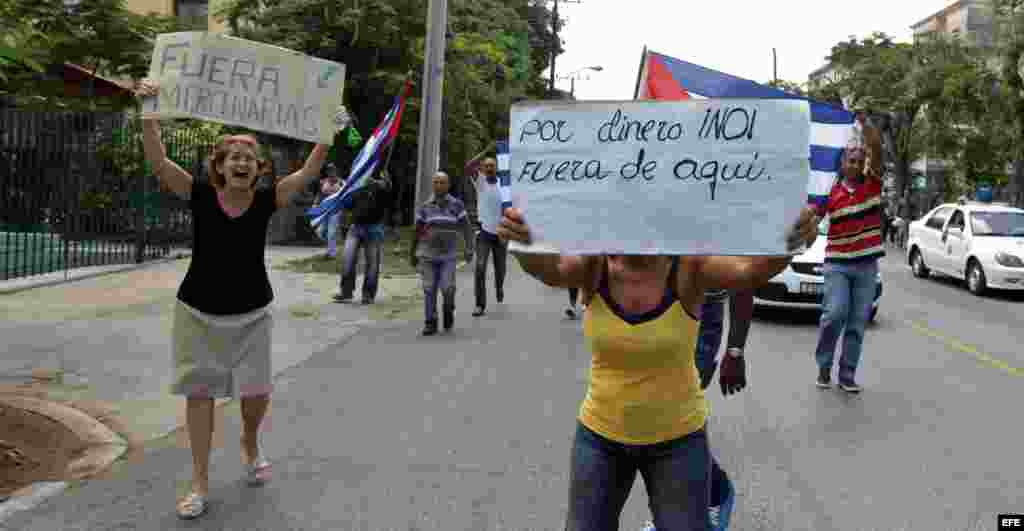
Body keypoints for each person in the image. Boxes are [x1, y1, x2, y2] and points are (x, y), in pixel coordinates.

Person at [497, 206, 819, 530]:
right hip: (600, 438)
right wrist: (524, 244)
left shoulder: (688, 266)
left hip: (678, 441)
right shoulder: (594, 265)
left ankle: (715, 493)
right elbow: (549, 269)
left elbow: (749, 271)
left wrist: (790, 242)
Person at [136, 80, 331, 520]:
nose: (241, 162)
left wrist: (325, 133)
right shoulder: (200, 195)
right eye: (233, 157)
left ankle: (249, 440)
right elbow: (159, 162)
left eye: (249, 158)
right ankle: (200, 482)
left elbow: (306, 175)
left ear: (259, 169)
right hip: (196, 314)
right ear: (219, 167)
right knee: (199, 395)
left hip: (252, 315)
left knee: (256, 394)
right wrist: (149, 108)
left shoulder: (266, 200)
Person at [813, 120, 885, 393]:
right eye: (850, 161)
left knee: (857, 323)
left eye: (859, 160)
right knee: (835, 315)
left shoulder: (872, 186)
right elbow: (812, 220)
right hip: (837, 265)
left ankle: (847, 375)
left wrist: (865, 122)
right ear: (842, 163)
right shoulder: (829, 192)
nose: (855, 165)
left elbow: (876, 147)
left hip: (866, 266)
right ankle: (823, 364)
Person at [410, 171, 474, 335]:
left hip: (448, 255)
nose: (439, 185)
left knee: (447, 288)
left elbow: (466, 227)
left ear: (448, 185)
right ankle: (430, 321)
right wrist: (413, 252)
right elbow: (417, 231)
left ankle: (448, 310)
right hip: (427, 254)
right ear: (433, 185)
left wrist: (469, 247)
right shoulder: (425, 207)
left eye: (442, 182)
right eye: (436, 182)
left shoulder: (456, 205)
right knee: (429, 288)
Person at [333, 170, 392, 304]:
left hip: (374, 230)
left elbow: (388, 191)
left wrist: (386, 182)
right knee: (347, 259)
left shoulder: (380, 188)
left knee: (372, 264)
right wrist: (342, 193)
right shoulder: (356, 188)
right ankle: (346, 291)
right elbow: (347, 205)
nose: (366, 177)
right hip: (355, 228)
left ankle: (368, 294)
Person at [467, 154, 508, 317]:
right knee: (480, 267)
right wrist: (486, 151)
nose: (490, 168)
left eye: (492, 165)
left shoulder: (504, 185)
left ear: (496, 168)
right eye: (487, 166)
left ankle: (499, 287)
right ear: (483, 169)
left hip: (501, 233)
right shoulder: (480, 182)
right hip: (483, 232)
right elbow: (468, 166)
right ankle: (480, 304)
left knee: (500, 269)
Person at [314, 163, 343, 258]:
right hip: (324, 209)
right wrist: (315, 204)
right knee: (320, 231)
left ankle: (331, 253)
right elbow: (319, 194)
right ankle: (331, 245)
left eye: (332, 170)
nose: (331, 172)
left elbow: (345, 196)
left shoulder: (341, 182)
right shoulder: (323, 182)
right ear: (327, 172)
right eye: (329, 170)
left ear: (336, 171)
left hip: (335, 210)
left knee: (331, 232)